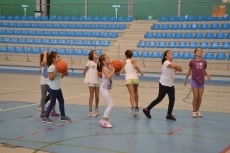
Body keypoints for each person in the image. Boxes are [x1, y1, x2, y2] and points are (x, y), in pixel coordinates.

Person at [143, 50, 182, 121]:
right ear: (166, 56)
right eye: (169, 53)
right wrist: (178, 67)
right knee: (159, 99)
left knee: (172, 99)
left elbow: (178, 69)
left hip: (170, 84)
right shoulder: (166, 62)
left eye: (171, 52)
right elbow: (175, 67)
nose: (171, 53)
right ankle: (147, 109)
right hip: (164, 84)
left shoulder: (171, 63)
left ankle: (169, 114)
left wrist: (178, 68)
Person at [42, 51, 71, 123]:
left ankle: (63, 116)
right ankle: (45, 117)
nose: (59, 58)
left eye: (59, 56)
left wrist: (65, 69)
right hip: (53, 88)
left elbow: (66, 74)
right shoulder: (51, 67)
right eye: (58, 57)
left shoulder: (60, 66)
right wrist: (55, 71)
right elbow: (50, 78)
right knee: (52, 102)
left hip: (58, 87)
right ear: (53, 59)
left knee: (61, 101)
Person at [184, 48, 210, 118]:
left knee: (200, 97)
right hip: (194, 80)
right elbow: (189, 70)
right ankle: (194, 111)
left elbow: (204, 70)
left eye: (201, 51)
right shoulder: (192, 62)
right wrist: (186, 79)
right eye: (198, 51)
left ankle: (198, 110)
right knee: (196, 96)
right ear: (195, 53)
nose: (200, 52)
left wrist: (207, 74)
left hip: (201, 81)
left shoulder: (204, 62)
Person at [97, 54, 119, 128]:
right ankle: (103, 120)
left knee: (110, 104)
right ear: (103, 61)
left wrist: (117, 69)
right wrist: (113, 70)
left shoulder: (109, 67)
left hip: (108, 89)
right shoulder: (104, 68)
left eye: (109, 57)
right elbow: (108, 76)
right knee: (111, 104)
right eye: (107, 58)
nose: (109, 59)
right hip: (104, 89)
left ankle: (105, 119)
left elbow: (118, 74)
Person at [120, 50, 143, 117]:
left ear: (125, 55)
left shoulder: (123, 62)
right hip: (135, 77)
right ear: (132, 55)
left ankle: (132, 106)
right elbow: (135, 66)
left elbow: (122, 71)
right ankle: (137, 106)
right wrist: (140, 71)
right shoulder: (133, 61)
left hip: (128, 78)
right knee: (136, 92)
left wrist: (125, 70)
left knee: (131, 94)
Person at [38, 51, 59, 118]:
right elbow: (44, 62)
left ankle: (53, 111)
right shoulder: (43, 63)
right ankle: (43, 111)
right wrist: (45, 54)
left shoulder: (51, 64)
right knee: (43, 97)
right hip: (44, 82)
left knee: (53, 97)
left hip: (50, 82)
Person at [83, 50, 100, 117]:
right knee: (91, 96)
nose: (96, 54)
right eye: (95, 53)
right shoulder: (89, 62)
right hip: (91, 81)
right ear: (92, 55)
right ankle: (90, 111)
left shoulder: (99, 63)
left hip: (98, 80)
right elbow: (84, 71)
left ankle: (96, 108)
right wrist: (87, 79)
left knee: (97, 96)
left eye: (97, 53)